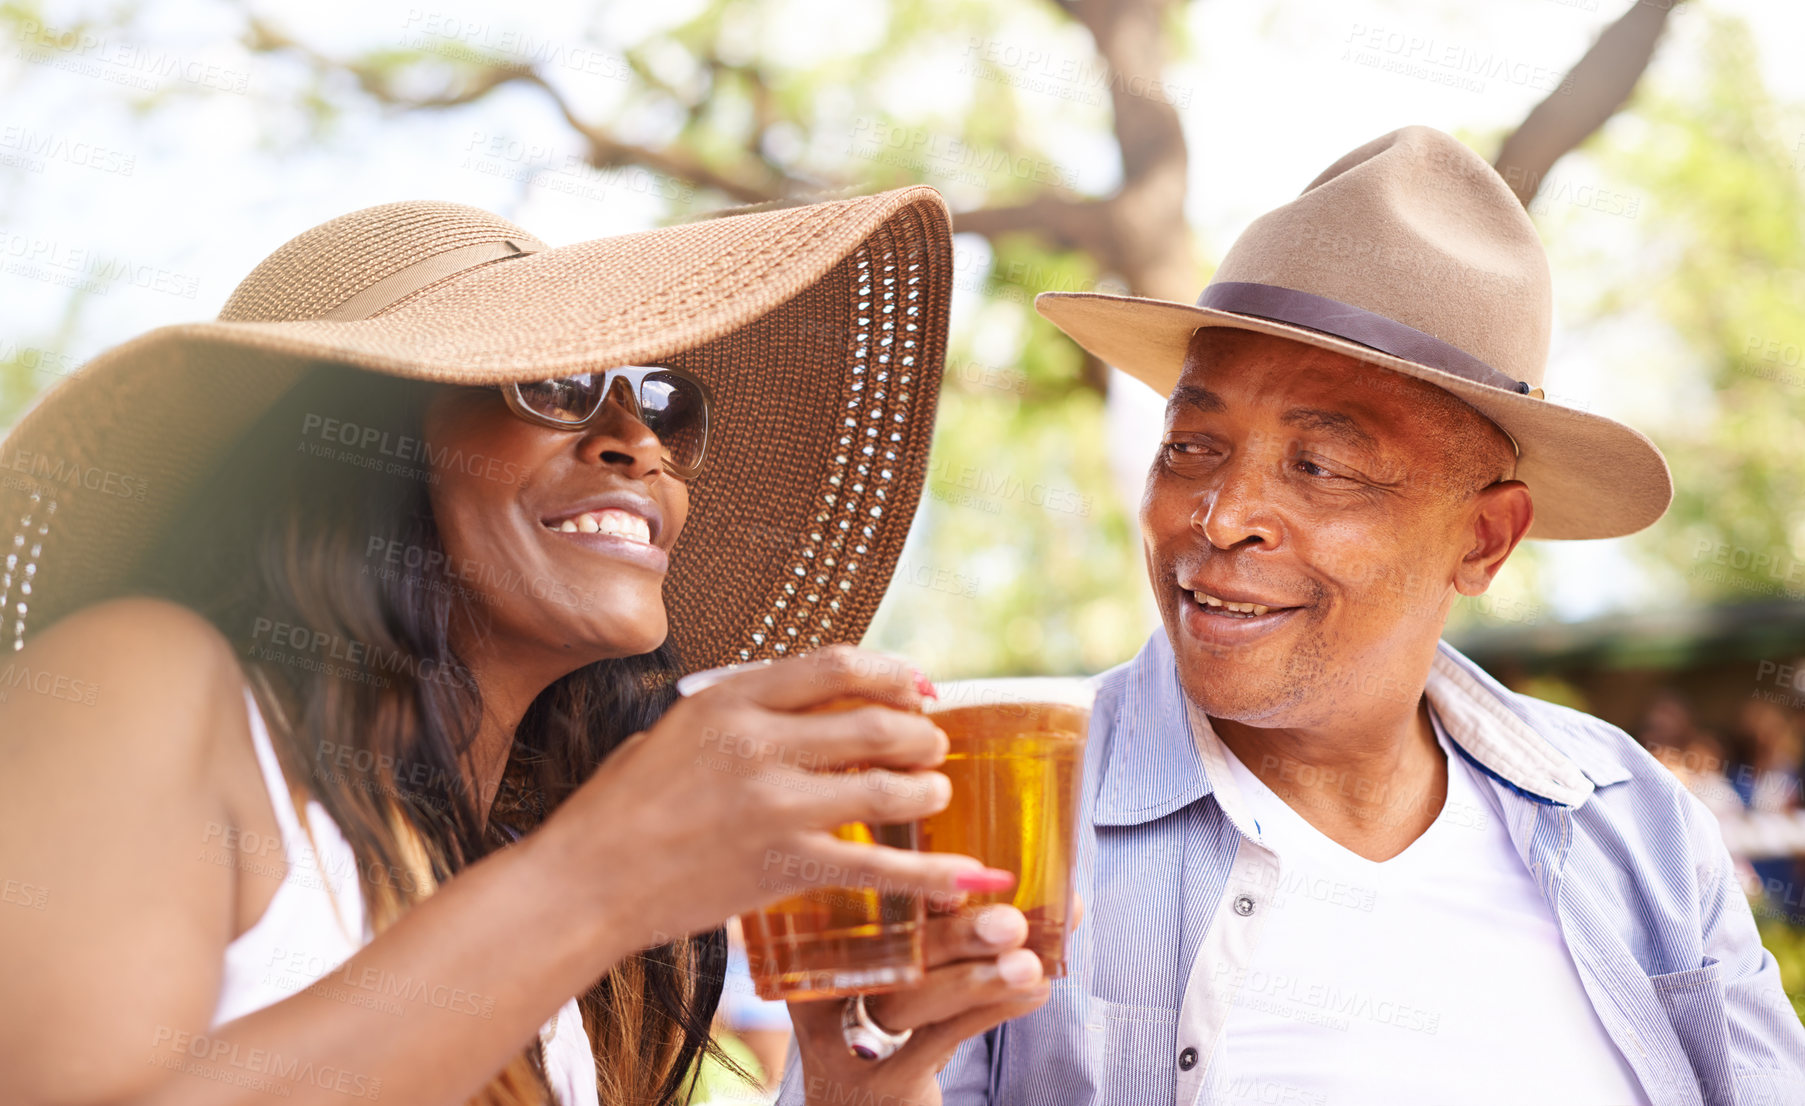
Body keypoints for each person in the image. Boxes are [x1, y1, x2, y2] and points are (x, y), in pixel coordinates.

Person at [779, 128, 1805, 1104]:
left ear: (1484, 539)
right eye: (1190, 446)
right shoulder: (988, 813)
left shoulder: (1630, 820)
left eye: (1319, 466)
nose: (1219, 518)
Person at [0, 187, 1044, 1105]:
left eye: (663, 403)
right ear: (358, 441)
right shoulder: (144, 678)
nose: (636, 441)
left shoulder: (529, 885)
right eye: (552, 382)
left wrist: (862, 1088)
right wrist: (600, 878)